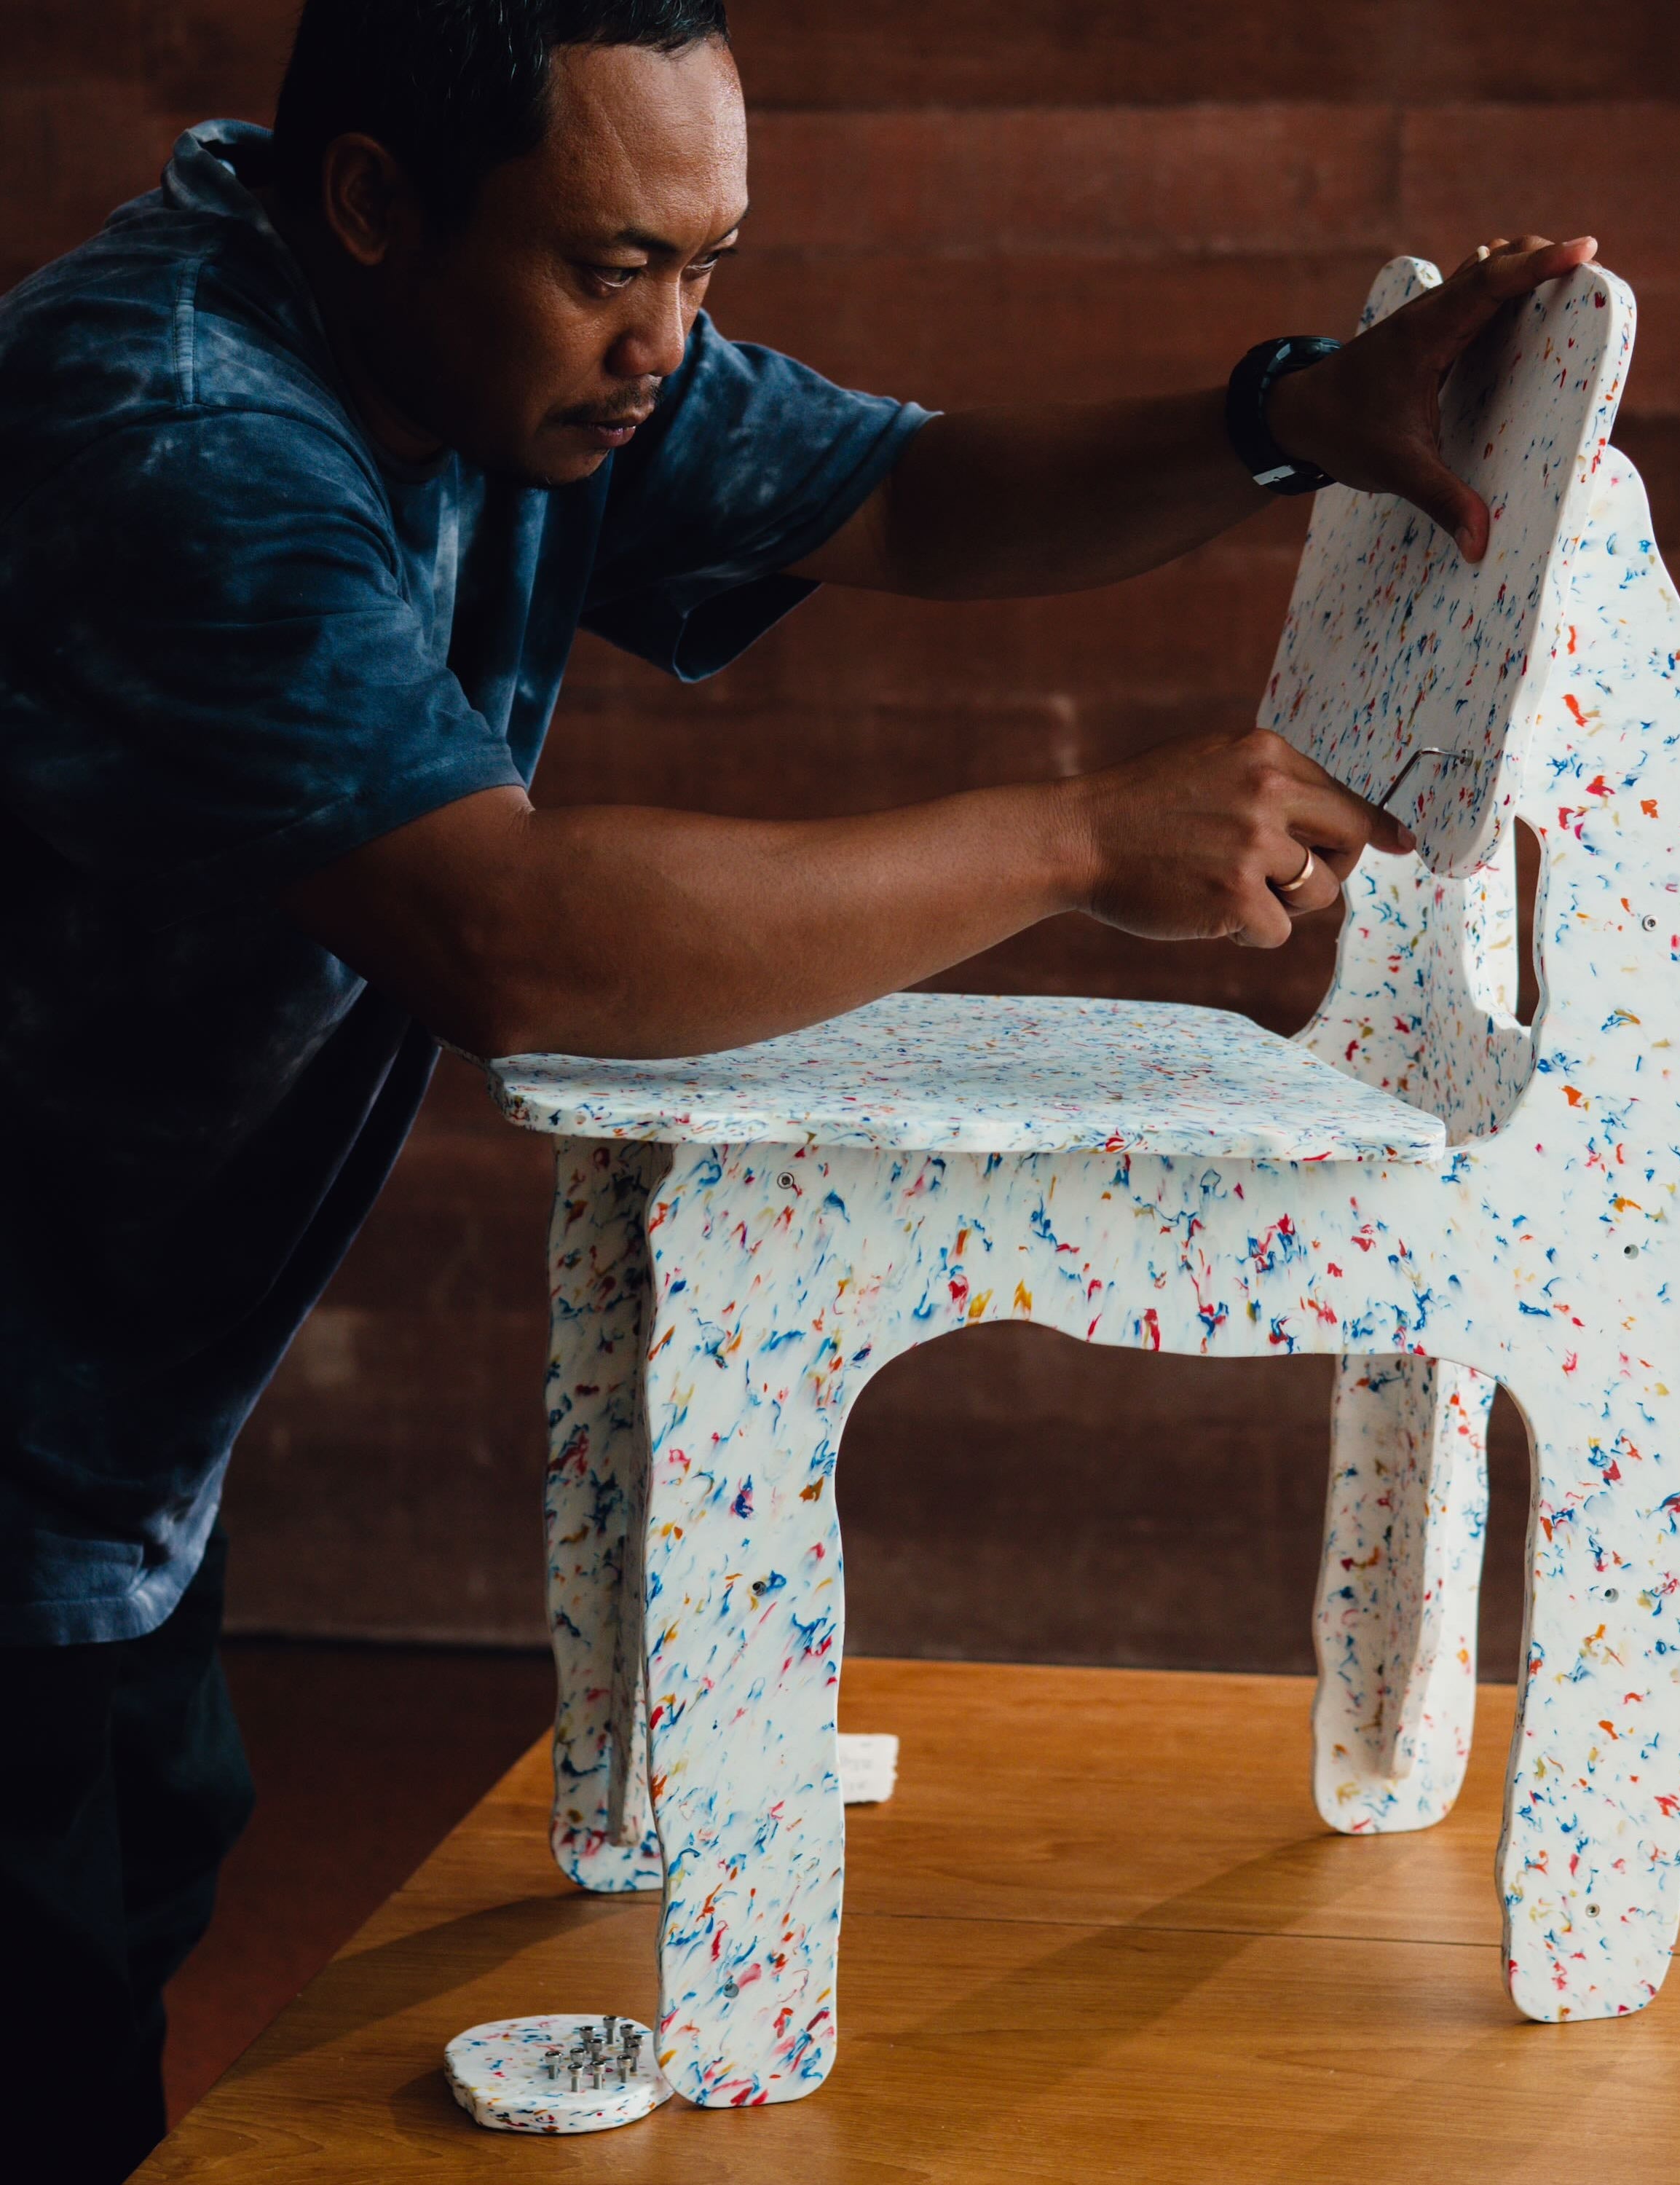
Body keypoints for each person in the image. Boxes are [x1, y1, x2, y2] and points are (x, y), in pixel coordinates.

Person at [0, 1, 1593, 2171]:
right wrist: (1073, 838)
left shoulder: (486, 348)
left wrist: (1284, 417)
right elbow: (517, 940)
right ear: (373, 202)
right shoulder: (177, 430)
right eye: (614, 265)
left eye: (707, 267)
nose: (668, 342)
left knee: (122, 1923)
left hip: (106, 1419)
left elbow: (907, 493)